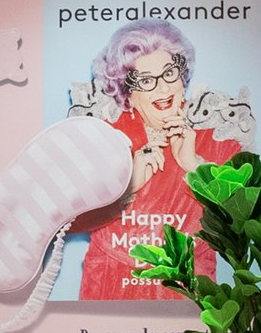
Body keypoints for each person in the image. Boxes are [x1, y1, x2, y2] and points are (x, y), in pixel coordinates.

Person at [75, 22, 245, 300]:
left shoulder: (220, 141)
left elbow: (243, 225)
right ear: (128, 93)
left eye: (169, 74)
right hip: (110, 291)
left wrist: (195, 165)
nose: (161, 88)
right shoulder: (104, 138)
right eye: (145, 80)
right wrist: (126, 187)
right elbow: (69, 223)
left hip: (187, 297)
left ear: (183, 77)